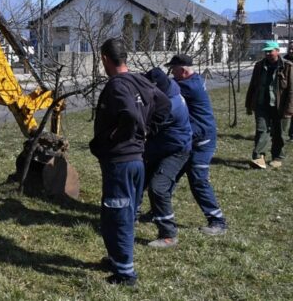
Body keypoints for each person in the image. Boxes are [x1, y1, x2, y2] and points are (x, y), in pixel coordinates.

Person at [90, 38, 170, 286]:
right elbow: (164, 105)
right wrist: (146, 132)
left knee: (119, 215)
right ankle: (117, 259)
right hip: (136, 160)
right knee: (114, 212)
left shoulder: (116, 86)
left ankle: (126, 274)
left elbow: (129, 114)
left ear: (104, 59)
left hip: (121, 162)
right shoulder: (140, 81)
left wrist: (120, 136)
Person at [166, 54, 228, 235]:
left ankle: (218, 221)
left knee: (198, 179)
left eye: (173, 69)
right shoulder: (194, 80)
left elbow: (163, 89)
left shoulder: (188, 86)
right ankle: (159, 210)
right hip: (191, 138)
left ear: (183, 70)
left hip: (202, 141)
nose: (171, 73)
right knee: (169, 174)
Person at [142, 67, 192, 249]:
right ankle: (127, 219)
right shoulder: (169, 88)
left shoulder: (170, 105)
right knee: (138, 181)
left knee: (158, 188)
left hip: (176, 150)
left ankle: (168, 234)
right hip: (160, 147)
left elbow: (146, 126)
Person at [245, 40, 293, 169]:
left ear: (277, 51)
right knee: (261, 131)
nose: (268, 54)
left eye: (270, 51)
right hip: (262, 105)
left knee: (279, 134)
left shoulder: (288, 66)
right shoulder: (259, 66)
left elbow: (291, 90)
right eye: (266, 51)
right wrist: (249, 104)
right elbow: (253, 86)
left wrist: (289, 109)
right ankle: (258, 158)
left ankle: (277, 157)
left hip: (280, 107)